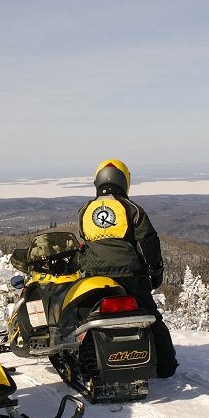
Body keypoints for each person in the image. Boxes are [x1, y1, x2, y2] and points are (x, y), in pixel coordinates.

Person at [77, 159, 178, 378]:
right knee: (151, 319)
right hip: (131, 277)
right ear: (125, 181)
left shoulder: (85, 210)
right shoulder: (132, 209)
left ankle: (87, 363)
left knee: (88, 322)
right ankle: (165, 367)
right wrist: (155, 272)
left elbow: (85, 244)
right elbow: (149, 243)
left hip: (96, 278)